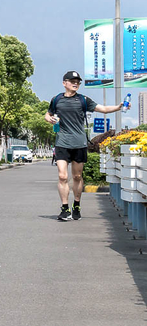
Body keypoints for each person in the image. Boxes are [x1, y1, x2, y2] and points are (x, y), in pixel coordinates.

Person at [45, 70, 122, 220]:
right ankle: (64, 208)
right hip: (62, 142)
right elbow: (47, 114)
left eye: (78, 82)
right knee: (62, 176)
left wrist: (118, 107)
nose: (75, 84)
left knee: (77, 176)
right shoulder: (56, 99)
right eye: (72, 81)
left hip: (79, 143)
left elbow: (103, 109)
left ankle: (77, 204)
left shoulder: (83, 100)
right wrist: (49, 119)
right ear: (64, 83)